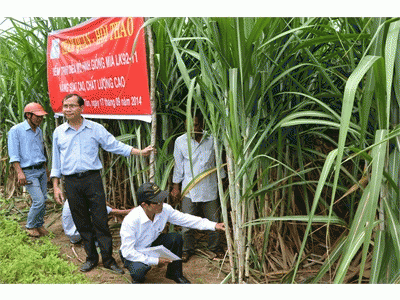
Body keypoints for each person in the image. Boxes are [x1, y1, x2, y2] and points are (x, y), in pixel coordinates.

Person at [51, 93, 154, 274]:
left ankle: (108, 260)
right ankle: (91, 258)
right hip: (71, 182)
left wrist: (139, 152)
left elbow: (114, 145)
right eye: (65, 106)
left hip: (92, 180)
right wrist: (56, 185)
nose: (67, 109)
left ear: (81, 108)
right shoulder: (59, 133)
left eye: (72, 106)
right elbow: (56, 162)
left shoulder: (94, 128)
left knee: (100, 220)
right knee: (81, 221)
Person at [119, 182, 225, 284]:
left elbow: (185, 219)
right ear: (145, 205)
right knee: (140, 271)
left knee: (176, 238)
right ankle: (136, 276)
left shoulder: (164, 209)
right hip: (133, 251)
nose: (161, 204)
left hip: (151, 245)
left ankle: (175, 273)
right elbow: (128, 251)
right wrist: (155, 261)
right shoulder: (131, 220)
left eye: (161, 199)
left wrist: (213, 225)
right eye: (157, 201)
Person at [171, 110, 226, 262]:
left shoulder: (212, 139)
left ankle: (215, 247)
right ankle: (187, 249)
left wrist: (224, 184)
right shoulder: (180, 141)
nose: (192, 129)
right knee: (186, 223)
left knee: (214, 221)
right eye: (188, 126)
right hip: (189, 190)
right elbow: (178, 167)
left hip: (210, 188)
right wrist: (176, 187)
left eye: (195, 125)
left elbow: (218, 164)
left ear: (201, 125)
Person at [7, 102, 49, 238]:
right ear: (28, 115)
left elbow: (40, 151)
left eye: (42, 117)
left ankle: (39, 224)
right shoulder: (16, 130)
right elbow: (13, 155)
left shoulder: (39, 130)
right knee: (39, 201)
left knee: (43, 199)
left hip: (40, 169)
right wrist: (20, 173)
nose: (40, 119)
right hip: (28, 171)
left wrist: (45, 169)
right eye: (37, 116)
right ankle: (30, 226)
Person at [62, 199, 131, 244]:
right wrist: (129, 211)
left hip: (71, 234)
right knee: (99, 215)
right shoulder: (81, 200)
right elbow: (106, 211)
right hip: (77, 234)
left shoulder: (73, 197)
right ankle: (96, 241)